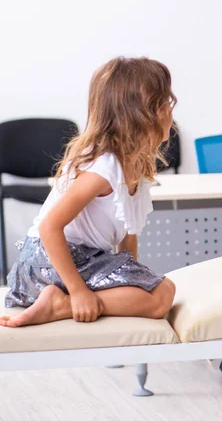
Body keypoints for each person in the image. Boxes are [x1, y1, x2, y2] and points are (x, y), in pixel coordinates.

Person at [0, 56, 176, 328]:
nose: (171, 110)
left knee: (160, 291)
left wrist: (132, 279)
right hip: (50, 263)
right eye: (166, 103)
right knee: (162, 295)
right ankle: (63, 305)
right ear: (143, 115)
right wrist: (80, 293)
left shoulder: (134, 167)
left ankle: (63, 301)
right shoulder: (103, 169)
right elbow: (49, 228)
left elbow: (128, 242)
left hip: (80, 260)